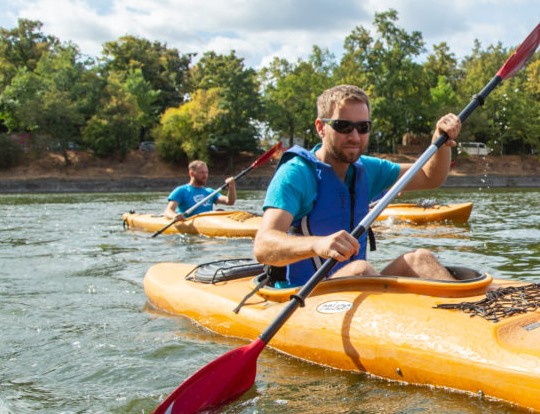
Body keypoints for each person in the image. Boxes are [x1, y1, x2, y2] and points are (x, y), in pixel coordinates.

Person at [254, 84, 461, 285]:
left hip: (352, 284)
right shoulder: (296, 174)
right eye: (343, 126)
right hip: (302, 294)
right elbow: (263, 246)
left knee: (420, 259)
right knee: (360, 269)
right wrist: (318, 244)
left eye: (363, 128)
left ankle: (465, 308)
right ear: (321, 128)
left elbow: (428, 176)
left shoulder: (368, 169)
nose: (354, 136)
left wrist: (440, 142)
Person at [164, 160, 236, 219]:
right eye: (202, 173)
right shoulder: (181, 191)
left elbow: (229, 201)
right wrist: (174, 216)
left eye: (206, 172)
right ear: (191, 174)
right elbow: (168, 211)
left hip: (208, 222)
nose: (205, 176)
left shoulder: (210, 192)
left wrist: (231, 188)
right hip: (190, 223)